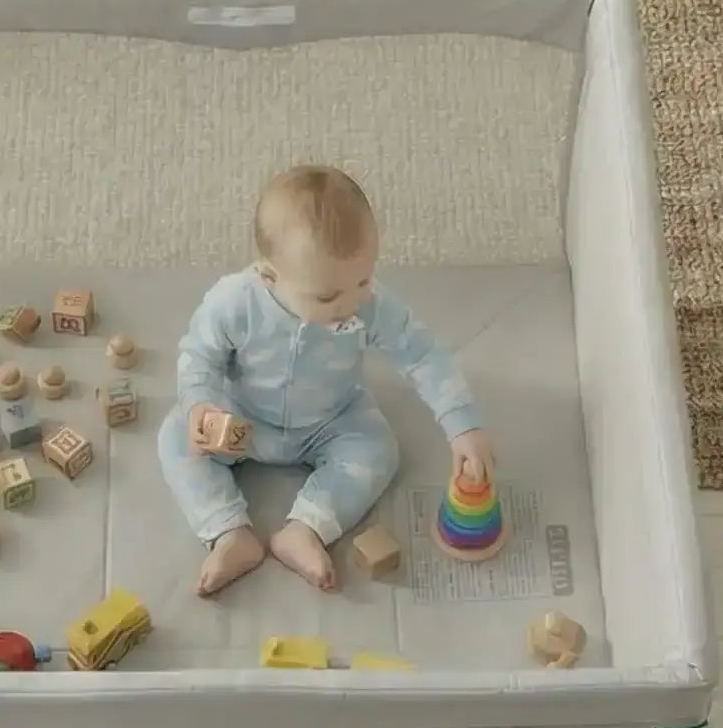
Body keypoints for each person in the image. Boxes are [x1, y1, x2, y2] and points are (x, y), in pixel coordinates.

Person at [159, 164, 495, 597]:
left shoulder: (367, 303)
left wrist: (462, 424)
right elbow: (198, 355)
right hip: (243, 416)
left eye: (363, 279)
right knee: (174, 438)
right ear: (269, 275)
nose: (350, 302)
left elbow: (423, 354)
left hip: (331, 418)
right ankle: (227, 531)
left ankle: (306, 528)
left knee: (379, 451)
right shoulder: (235, 301)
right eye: (327, 296)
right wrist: (201, 405)